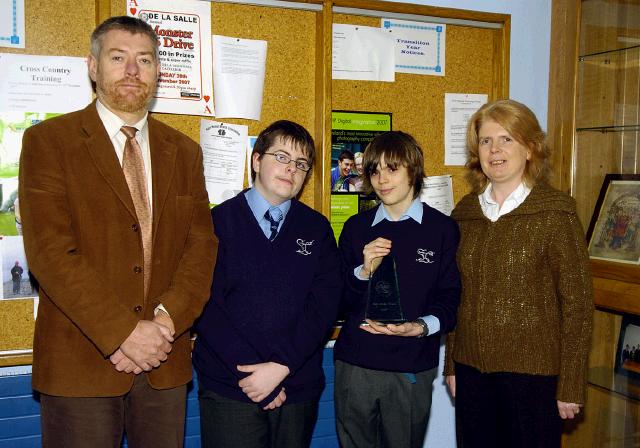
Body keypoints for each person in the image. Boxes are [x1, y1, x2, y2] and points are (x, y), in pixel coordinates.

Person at [18, 16, 217, 448]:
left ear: (157, 71)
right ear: (93, 66)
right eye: (118, 57)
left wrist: (165, 323)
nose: (132, 70)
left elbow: (201, 248)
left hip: (164, 362)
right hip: (79, 363)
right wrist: (124, 333)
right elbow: (50, 252)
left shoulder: (184, 152)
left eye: (144, 59)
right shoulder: (49, 142)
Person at [444, 99, 593, 448]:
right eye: (485, 141)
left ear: (529, 148)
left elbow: (578, 306)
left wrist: (571, 383)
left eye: (506, 139)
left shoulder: (556, 214)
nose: (495, 149)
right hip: (471, 372)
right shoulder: (463, 214)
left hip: (534, 379)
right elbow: (456, 295)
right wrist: (451, 364)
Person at [193, 120, 342, 448]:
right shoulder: (216, 224)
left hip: (296, 385)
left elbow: (323, 307)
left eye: (301, 164)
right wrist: (255, 377)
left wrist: (280, 367)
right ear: (257, 160)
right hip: (231, 387)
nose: (292, 169)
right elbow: (204, 305)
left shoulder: (316, 229)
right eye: (282, 157)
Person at [335, 131, 461, 448]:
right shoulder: (355, 228)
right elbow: (338, 301)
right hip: (356, 363)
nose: (381, 179)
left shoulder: (442, 230)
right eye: (375, 170)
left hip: (411, 365)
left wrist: (420, 327)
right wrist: (363, 271)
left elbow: (451, 298)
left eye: (392, 169)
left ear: (413, 170)